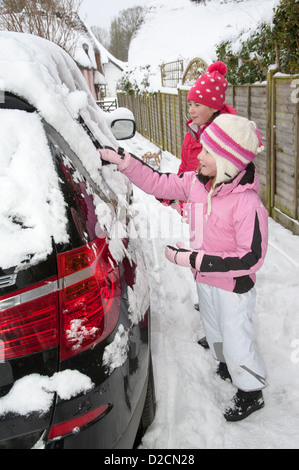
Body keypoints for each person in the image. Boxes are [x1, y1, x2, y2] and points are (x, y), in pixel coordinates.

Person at [99, 114, 268, 421]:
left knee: (236, 337)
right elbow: (158, 182)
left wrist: (194, 260)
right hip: (205, 280)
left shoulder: (248, 205)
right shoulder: (197, 183)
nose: (198, 156)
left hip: (233, 287)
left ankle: (251, 391)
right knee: (214, 327)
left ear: (228, 161)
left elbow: (251, 258)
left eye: (207, 153)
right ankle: (224, 363)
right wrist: (126, 162)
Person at [160, 61, 237, 348]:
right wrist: (179, 195)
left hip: (215, 208)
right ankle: (207, 303)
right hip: (194, 203)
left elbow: (228, 175)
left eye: (196, 104)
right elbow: (185, 167)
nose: (190, 109)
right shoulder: (193, 130)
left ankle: (222, 325)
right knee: (198, 252)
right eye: (189, 103)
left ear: (214, 106)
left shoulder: (224, 134)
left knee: (216, 260)